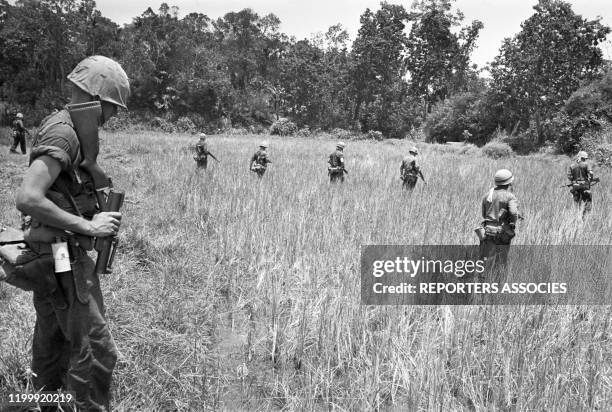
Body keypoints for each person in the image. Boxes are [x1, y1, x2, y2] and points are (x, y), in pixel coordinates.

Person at [15, 55, 129, 411]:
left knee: (52, 336)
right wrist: (88, 226)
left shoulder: (73, 131)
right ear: (98, 101)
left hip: (55, 250)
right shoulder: (65, 132)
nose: (111, 119)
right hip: (61, 253)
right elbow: (28, 197)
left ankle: (47, 402)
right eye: (111, 110)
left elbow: (60, 193)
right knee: (95, 348)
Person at [477, 169, 520, 281]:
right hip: (502, 233)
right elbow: (514, 213)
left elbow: (484, 214)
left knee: (485, 260)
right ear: (509, 183)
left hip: (487, 231)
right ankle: (498, 285)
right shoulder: (510, 196)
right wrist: (513, 223)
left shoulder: (487, 195)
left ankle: (482, 284)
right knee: (501, 261)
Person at [567, 151, 597, 218]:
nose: (585, 159)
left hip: (575, 186)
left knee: (576, 203)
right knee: (588, 201)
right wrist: (590, 179)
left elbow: (569, 176)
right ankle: (585, 217)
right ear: (583, 157)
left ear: (578, 156)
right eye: (585, 158)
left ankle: (576, 217)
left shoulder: (572, 165)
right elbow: (591, 173)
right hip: (585, 186)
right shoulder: (586, 164)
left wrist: (573, 181)